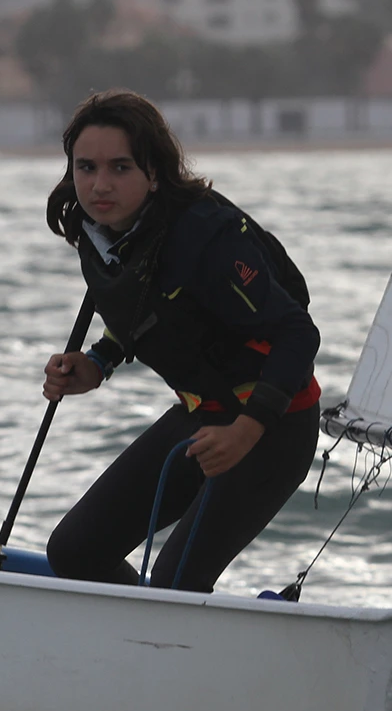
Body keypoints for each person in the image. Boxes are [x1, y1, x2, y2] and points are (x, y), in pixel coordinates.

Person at [41, 90, 321, 594]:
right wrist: (98, 362)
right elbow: (148, 309)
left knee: (175, 585)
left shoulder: (206, 236)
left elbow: (298, 334)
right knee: (74, 552)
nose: (100, 185)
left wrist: (245, 431)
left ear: (154, 172)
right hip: (199, 416)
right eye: (86, 167)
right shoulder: (99, 231)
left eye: (120, 167)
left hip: (272, 429)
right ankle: (142, 632)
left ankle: (177, 627)